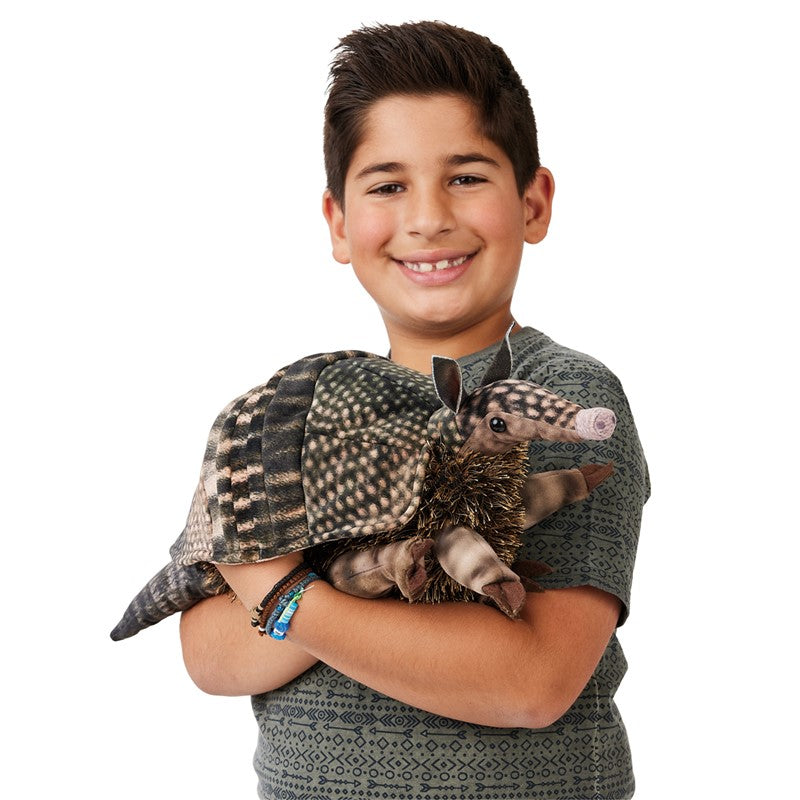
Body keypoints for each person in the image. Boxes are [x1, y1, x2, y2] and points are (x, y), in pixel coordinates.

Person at [179, 20, 649, 800]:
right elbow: (210, 655)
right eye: (388, 185)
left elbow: (529, 680)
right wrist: (343, 588)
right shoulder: (285, 414)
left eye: (466, 176)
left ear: (533, 202)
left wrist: (288, 593)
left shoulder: (560, 393)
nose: (427, 217)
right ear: (338, 222)